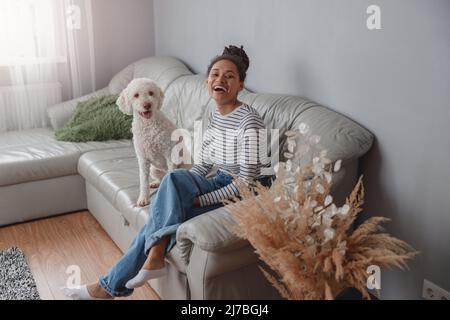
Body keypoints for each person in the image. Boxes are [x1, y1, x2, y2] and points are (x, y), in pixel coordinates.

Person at [64, 45, 271, 299]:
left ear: (240, 84)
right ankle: (148, 261)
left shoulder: (250, 121)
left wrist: (198, 199)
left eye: (229, 76)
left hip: (240, 192)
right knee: (173, 179)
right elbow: (203, 167)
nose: (220, 80)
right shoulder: (215, 115)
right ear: (207, 82)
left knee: (156, 220)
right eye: (215, 74)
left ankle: (109, 285)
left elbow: (246, 185)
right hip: (217, 180)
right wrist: (184, 186)